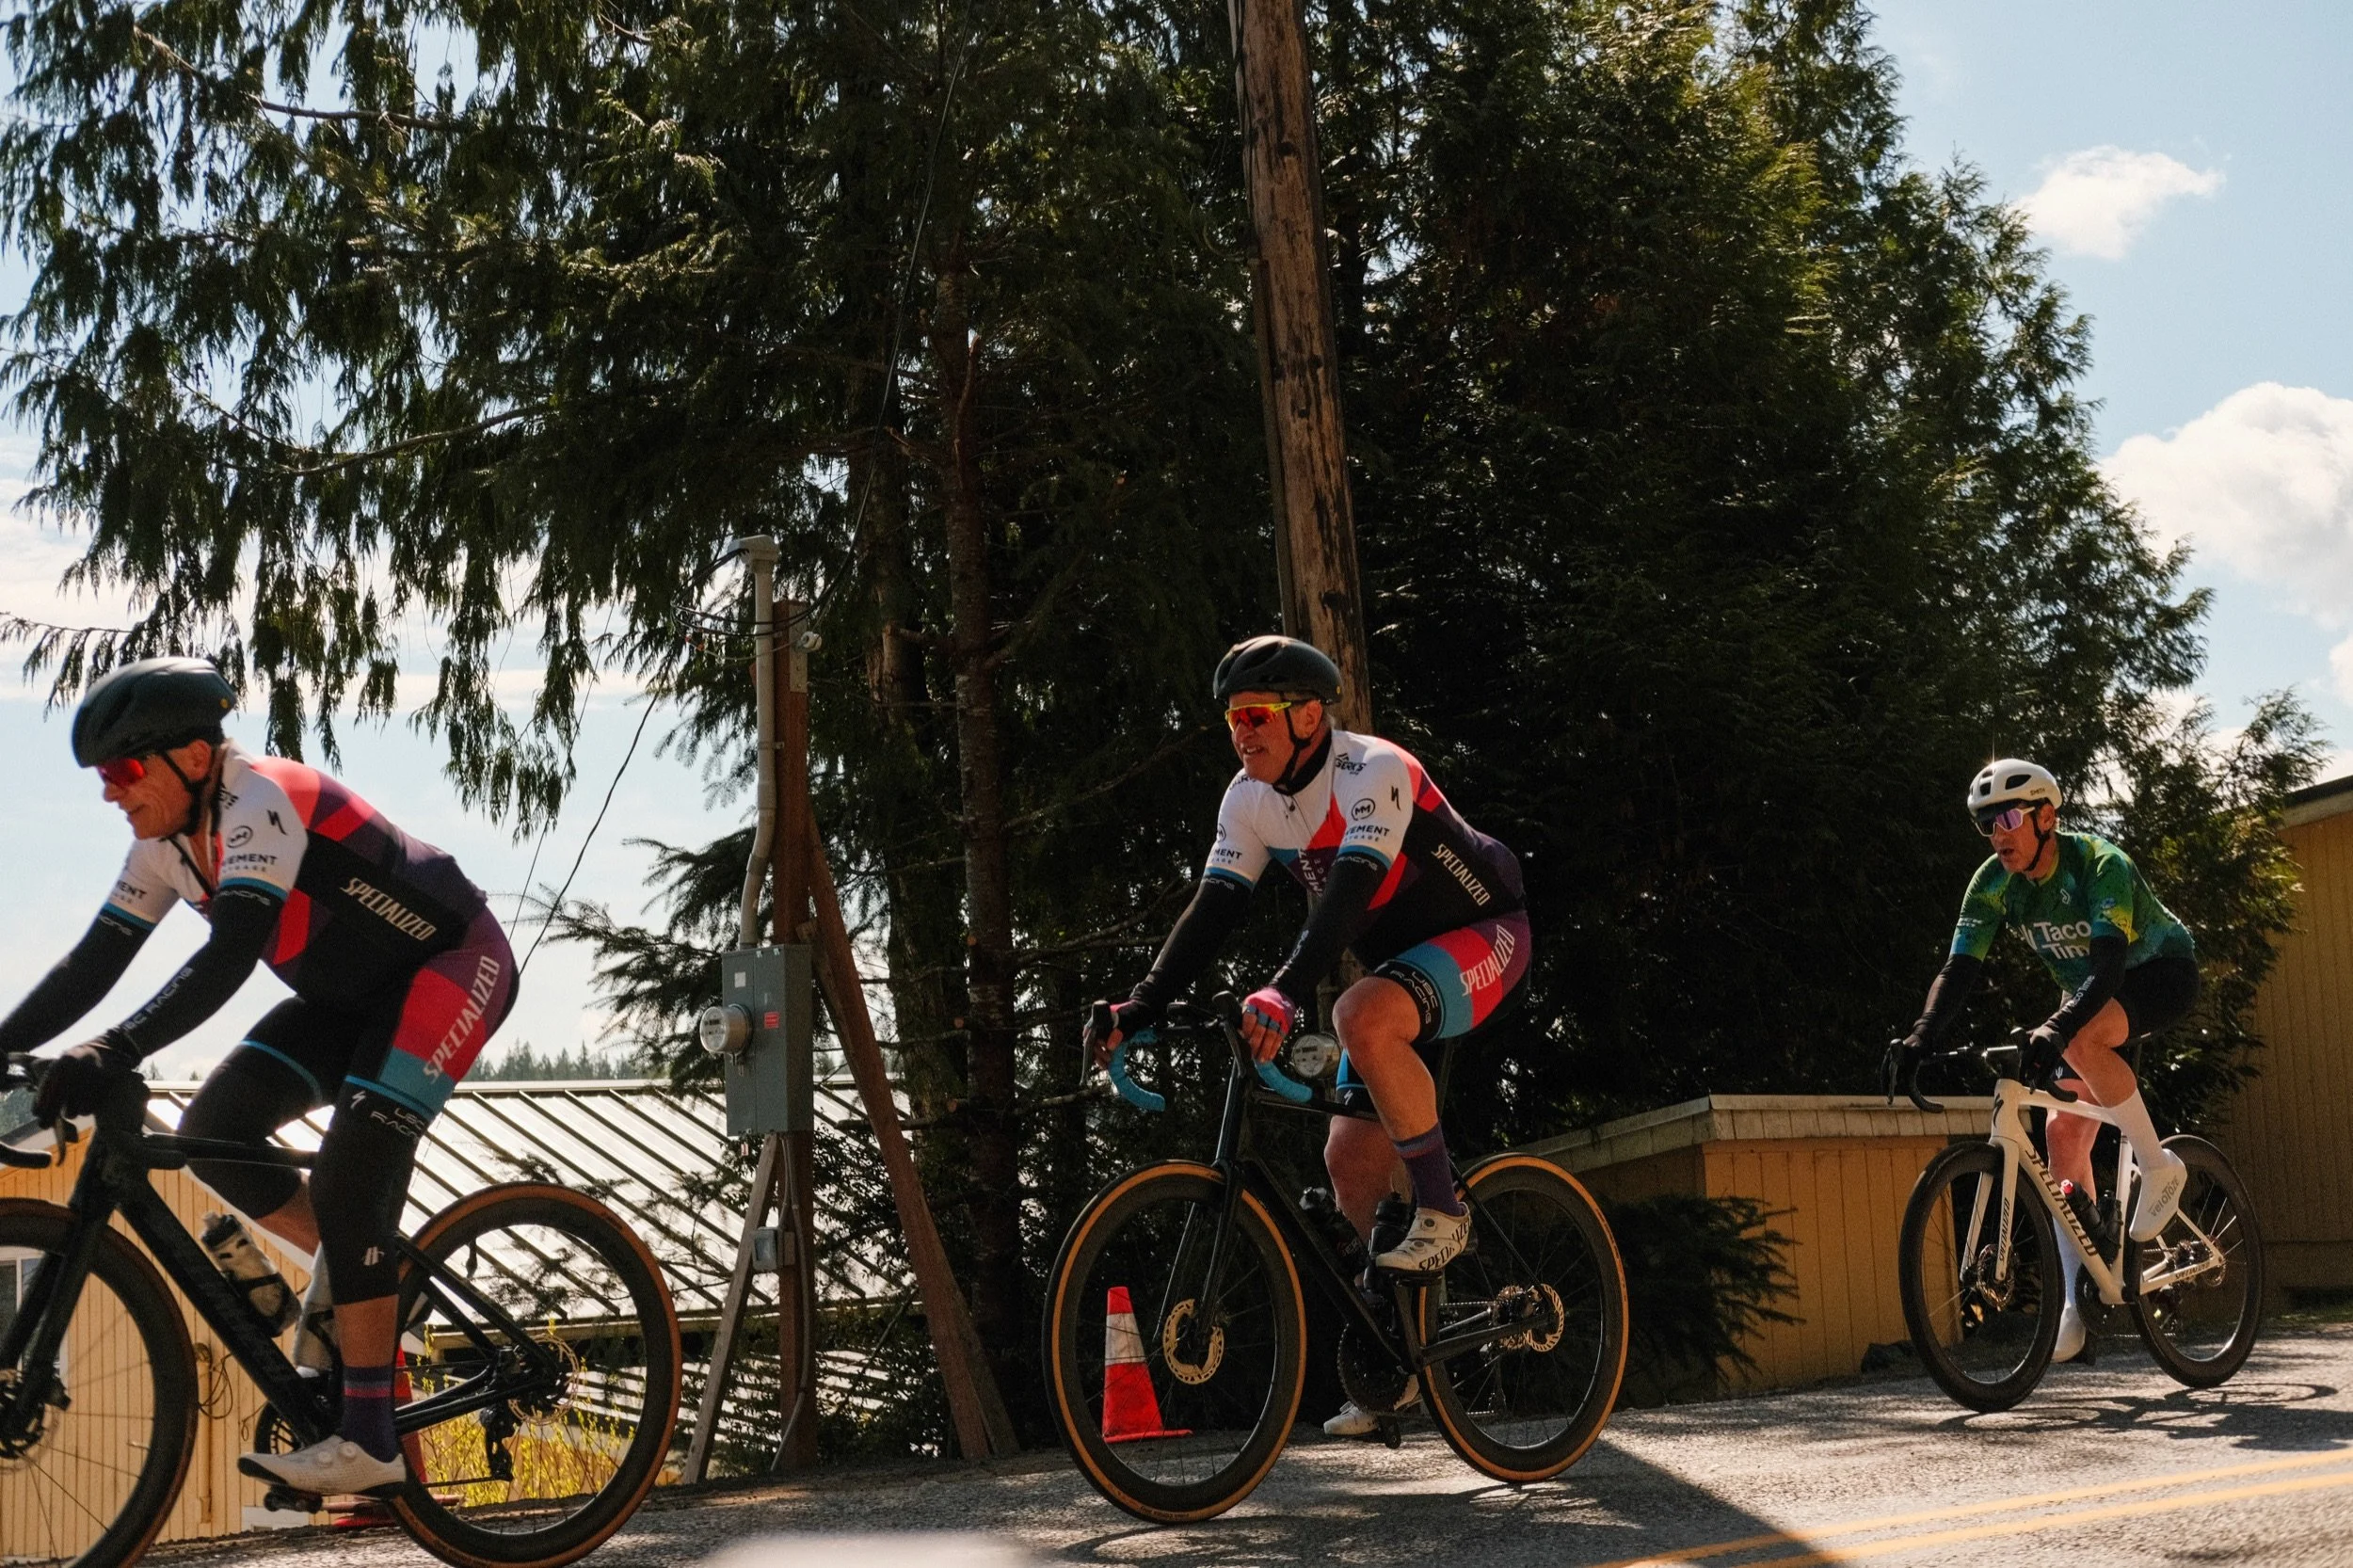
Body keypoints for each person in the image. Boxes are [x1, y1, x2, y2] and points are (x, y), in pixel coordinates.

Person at [0, 657, 516, 1496]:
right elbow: (92, 963)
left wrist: (115, 1047)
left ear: (192, 758)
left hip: (451, 967)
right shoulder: (163, 846)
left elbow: (231, 954)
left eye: (123, 770)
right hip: (348, 1001)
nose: (109, 793)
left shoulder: (261, 801)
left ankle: (371, 1437)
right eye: (102, 778)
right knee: (213, 1134)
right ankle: (371, 1281)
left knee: (350, 1178)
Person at [1085, 635, 1529, 1436]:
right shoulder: (1248, 799)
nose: (1241, 733)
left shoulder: (1374, 770)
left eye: (1256, 715)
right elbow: (1213, 910)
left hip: (1485, 931)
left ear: (1309, 715)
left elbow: (1349, 900)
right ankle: (1401, 1359)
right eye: (1232, 719)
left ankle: (1444, 1209)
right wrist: (1139, 1007)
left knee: (1359, 1012)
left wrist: (1284, 993)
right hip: (1403, 965)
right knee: (1349, 1161)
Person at [1891, 758, 2199, 1363]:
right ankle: (2078, 1305)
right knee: (2061, 1133)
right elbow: (1959, 969)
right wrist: (1920, 1036)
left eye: (2008, 818)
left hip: (2157, 972)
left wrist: (2058, 1027)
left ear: (2046, 817)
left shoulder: (2100, 864)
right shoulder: (1993, 883)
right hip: (2088, 997)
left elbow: (2108, 965)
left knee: (2079, 1039)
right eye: (1987, 824)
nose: (1998, 834)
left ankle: (2159, 1165)